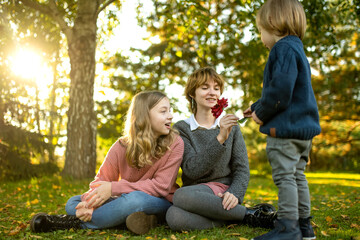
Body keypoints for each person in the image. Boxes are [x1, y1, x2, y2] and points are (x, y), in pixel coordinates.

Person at [30, 90, 184, 235]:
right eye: (163, 111)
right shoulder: (122, 145)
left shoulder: (175, 143)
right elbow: (101, 181)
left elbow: (161, 187)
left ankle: (72, 222)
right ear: (145, 116)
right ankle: (136, 221)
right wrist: (91, 203)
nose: (170, 116)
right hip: (123, 200)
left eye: (170, 110)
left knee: (136, 199)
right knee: (75, 201)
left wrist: (113, 188)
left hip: (160, 202)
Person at [243, 0, 321, 239]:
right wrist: (256, 105)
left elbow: (280, 93)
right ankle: (304, 226)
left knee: (285, 177)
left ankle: (288, 228)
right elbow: (287, 89)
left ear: (271, 24)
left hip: (285, 132)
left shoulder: (282, 49)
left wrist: (261, 113)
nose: (261, 37)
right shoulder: (297, 48)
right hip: (302, 132)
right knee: (298, 176)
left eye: (260, 31)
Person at [165, 66, 277, 231]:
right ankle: (242, 216)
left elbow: (242, 169)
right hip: (195, 194)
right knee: (174, 217)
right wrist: (219, 139)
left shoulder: (232, 127)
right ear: (191, 94)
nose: (212, 92)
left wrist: (235, 193)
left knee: (180, 196)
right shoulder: (182, 128)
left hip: (223, 192)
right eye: (205, 88)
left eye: (216, 88)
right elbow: (191, 170)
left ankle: (248, 213)